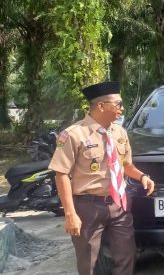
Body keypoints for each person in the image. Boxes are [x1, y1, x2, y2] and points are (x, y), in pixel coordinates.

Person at [49, 81, 155, 275]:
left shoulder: (119, 132)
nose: (122, 109)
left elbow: (126, 165)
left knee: (127, 255)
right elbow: (61, 174)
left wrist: (143, 177)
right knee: (88, 261)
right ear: (101, 106)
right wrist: (70, 214)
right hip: (87, 208)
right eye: (118, 104)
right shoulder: (73, 135)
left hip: (119, 204)